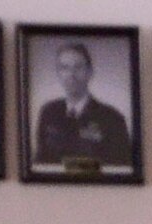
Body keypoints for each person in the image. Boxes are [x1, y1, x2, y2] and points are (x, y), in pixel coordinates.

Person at [32, 38, 131, 168]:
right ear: (58, 73)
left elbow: (120, 168)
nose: (71, 74)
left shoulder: (112, 118)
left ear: (90, 72)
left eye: (78, 67)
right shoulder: (48, 112)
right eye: (64, 68)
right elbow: (41, 163)